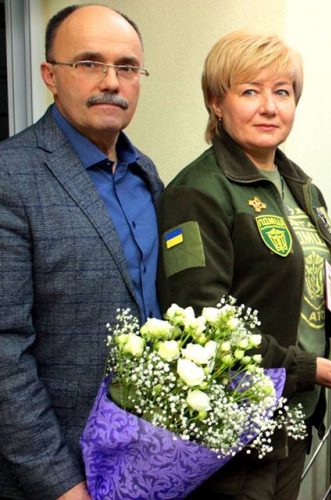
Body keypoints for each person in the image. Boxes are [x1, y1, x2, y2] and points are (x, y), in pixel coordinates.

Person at [156, 32, 331, 500]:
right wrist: (304, 368)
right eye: (249, 91)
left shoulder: (302, 188)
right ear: (216, 103)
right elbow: (201, 321)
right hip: (235, 433)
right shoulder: (198, 191)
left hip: (292, 419)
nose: (269, 107)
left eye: (282, 92)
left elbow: (295, 285)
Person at [0, 5, 161, 499]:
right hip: (56, 477)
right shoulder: (10, 176)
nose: (111, 81)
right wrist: (62, 484)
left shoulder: (146, 174)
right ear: (50, 74)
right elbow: (5, 353)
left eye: (127, 67)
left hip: (147, 463)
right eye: (89, 63)